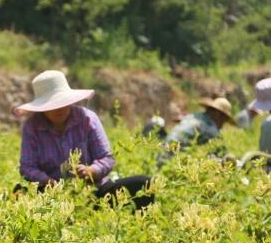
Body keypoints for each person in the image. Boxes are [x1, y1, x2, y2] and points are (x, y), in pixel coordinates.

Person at [16, 70, 153, 210]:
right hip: (52, 197)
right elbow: (27, 167)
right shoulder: (32, 127)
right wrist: (47, 181)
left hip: (95, 192)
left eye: (61, 103)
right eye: (52, 105)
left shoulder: (87, 119)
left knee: (144, 184)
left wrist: (91, 170)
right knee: (19, 191)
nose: (58, 109)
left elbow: (107, 158)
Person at [164, 97, 235, 151]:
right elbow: (220, 149)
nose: (222, 124)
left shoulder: (193, 116)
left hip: (163, 150)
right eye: (224, 119)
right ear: (218, 114)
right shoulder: (210, 128)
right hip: (174, 156)